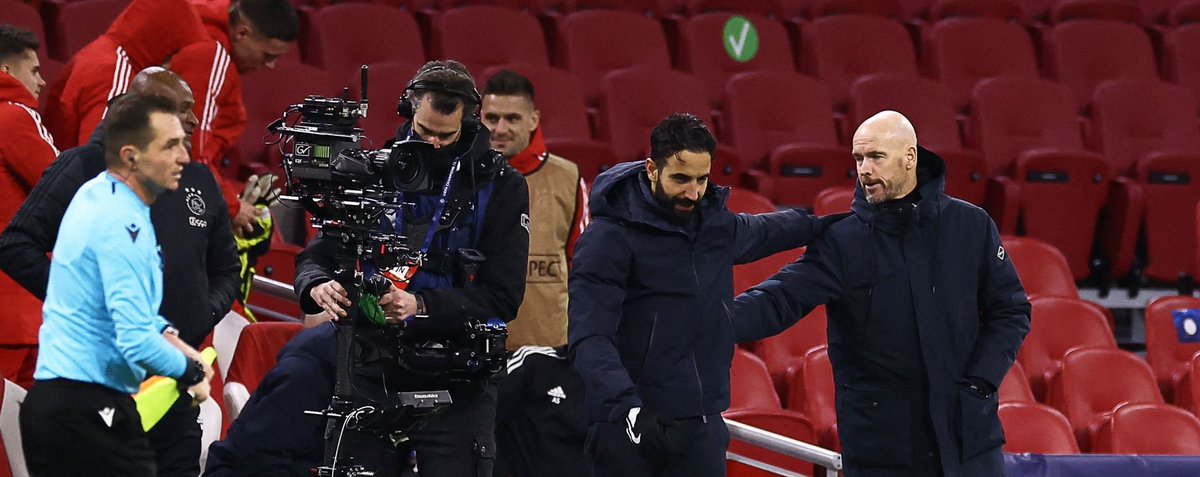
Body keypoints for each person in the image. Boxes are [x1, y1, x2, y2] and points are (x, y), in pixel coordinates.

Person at [204, 60, 530, 477]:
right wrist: (317, 286)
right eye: (423, 131)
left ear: (468, 124)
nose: (431, 144)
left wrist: (421, 305)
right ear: (408, 112)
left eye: (445, 136)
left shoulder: (503, 187)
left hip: (456, 366)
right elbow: (317, 255)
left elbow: (504, 295)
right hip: (371, 357)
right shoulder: (376, 170)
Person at [733, 111, 1031, 476]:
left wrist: (980, 381)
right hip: (883, 451)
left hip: (969, 444)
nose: (865, 170)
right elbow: (778, 299)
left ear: (909, 157)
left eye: (876, 157)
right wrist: (707, 321)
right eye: (859, 158)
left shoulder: (971, 225)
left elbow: (1011, 311)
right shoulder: (843, 240)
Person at [0, 67, 240, 476]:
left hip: (164, 392)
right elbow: (17, 246)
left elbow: (223, 270)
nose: (193, 121)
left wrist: (196, 317)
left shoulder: (183, 186)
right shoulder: (89, 178)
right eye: (178, 110)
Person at [568, 113, 833, 477]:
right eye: (681, 179)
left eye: (702, 179)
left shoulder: (713, 225)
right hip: (629, 427)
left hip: (702, 427)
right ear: (652, 169)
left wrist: (826, 225)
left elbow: (767, 231)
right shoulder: (608, 238)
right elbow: (589, 337)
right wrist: (628, 408)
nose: (693, 193)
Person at [479, 69, 589, 477]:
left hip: (549, 361)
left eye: (512, 118)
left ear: (534, 119)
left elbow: (585, 270)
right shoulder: (464, 179)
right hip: (480, 361)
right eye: (491, 118)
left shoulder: (568, 178)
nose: (500, 129)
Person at [0, 24, 57, 389]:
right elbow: (67, 191)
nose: (41, 81)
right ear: (6, 71)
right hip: (19, 310)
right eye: (34, 70)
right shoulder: (16, 116)